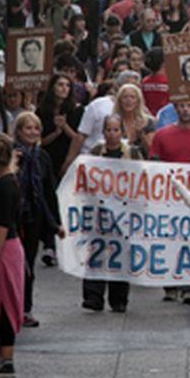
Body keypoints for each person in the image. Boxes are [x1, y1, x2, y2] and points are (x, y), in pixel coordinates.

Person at [11, 113, 63, 328]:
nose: (32, 132)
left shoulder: (42, 157)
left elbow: (49, 191)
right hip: (12, 219)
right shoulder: (11, 155)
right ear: (19, 131)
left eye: (36, 129)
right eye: (27, 128)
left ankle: (25, 308)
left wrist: (56, 223)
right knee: (12, 266)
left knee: (28, 265)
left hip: (34, 217)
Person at [81, 116, 135, 313]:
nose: (112, 134)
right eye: (109, 130)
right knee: (97, 252)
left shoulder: (132, 153)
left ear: (122, 132)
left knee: (120, 253)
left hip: (124, 211)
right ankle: (93, 296)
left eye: (116, 130)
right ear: (103, 132)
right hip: (99, 210)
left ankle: (118, 298)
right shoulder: (96, 152)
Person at [0, 136, 23, 378]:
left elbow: (3, 224)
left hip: (3, 248)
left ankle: (7, 358)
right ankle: (2, 356)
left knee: (3, 304)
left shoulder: (6, 184)